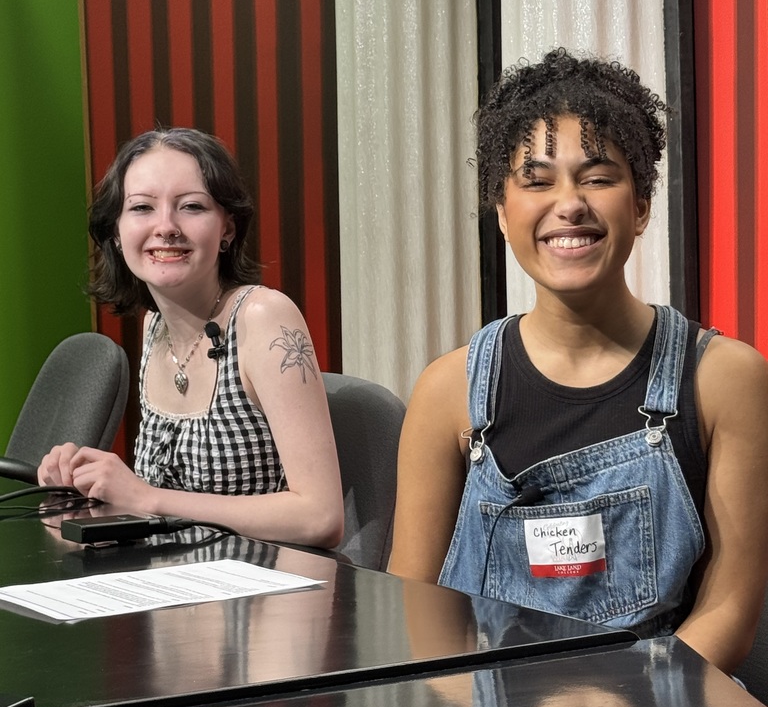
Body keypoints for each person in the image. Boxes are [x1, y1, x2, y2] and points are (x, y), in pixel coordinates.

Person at [389, 47, 768, 674]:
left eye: (598, 177)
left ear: (641, 206)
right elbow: (416, 608)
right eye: (536, 181)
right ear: (503, 213)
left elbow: (732, 605)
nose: (569, 203)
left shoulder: (724, 379)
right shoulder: (448, 389)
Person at [38, 128, 344, 548]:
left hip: (260, 596)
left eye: (192, 207)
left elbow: (320, 517)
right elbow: (162, 513)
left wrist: (148, 498)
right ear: (116, 231)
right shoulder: (154, 327)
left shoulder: (263, 317)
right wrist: (85, 490)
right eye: (142, 207)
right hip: (171, 589)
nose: (166, 227)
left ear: (227, 230)